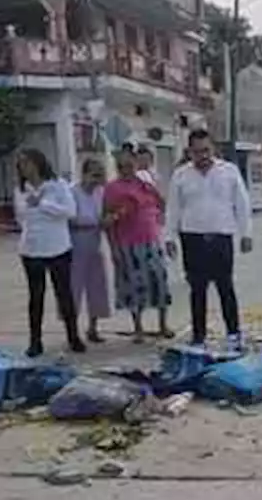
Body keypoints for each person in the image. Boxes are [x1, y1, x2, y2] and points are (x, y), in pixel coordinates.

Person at [165, 129, 253, 352]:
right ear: (190, 152)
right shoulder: (181, 175)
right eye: (197, 152)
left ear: (212, 148)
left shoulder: (229, 171)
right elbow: (173, 208)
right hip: (192, 239)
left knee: (226, 287)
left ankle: (233, 334)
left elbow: (242, 204)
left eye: (206, 150)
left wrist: (246, 233)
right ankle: (198, 336)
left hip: (221, 237)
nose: (202, 156)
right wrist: (169, 237)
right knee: (197, 289)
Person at [15, 148, 85, 357]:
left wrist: (43, 204)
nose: (24, 168)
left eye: (27, 163)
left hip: (58, 247)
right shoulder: (21, 189)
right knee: (36, 296)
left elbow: (70, 212)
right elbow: (21, 215)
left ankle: (73, 337)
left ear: (38, 163)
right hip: (32, 248)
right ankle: (35, 341)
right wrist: (32, 211)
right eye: (21, 165)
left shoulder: (58, 185)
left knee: (64, 293)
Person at [104, 144, 173, 342]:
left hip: (151, 240)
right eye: (121, 166)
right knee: (134, 286)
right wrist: (114, 247)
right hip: (127, 243)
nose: (126, 169)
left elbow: (162, 203)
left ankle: (162, 324)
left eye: (129, 165)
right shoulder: (112, 188)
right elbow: (106, 220)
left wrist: (153, 194)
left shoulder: (145, 183)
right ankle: (138, 328)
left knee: (159, 281)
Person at [70, 157, 112, 343]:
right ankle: (72, 329)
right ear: (84, 174)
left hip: (95, 238)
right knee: (74, 286)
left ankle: (93, 327)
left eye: (99, 174)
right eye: (93, 174)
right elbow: (70, 218)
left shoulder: (101, 192)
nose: (96, 179)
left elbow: (104, 214)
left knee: (96, 285)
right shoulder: (73, 192)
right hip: (76, 239)